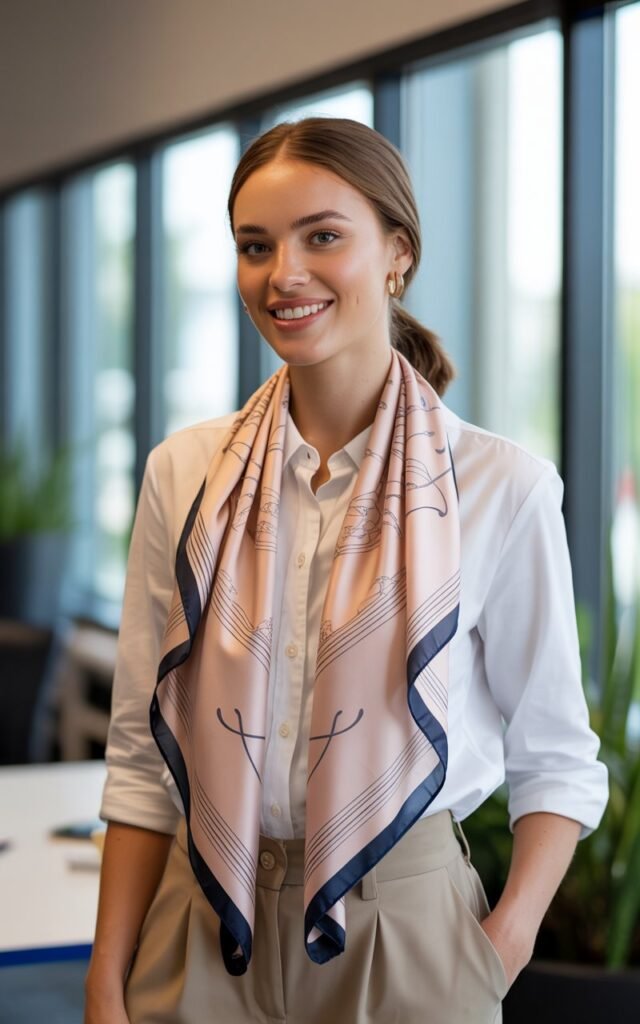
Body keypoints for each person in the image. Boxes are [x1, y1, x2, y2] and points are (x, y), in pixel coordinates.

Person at [84, 117, 608, 1024]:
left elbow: (556, 757)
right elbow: (140, 752)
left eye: (322, 236)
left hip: (405, 932)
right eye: (256, 245)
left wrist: (498, 949)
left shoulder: (500, 486)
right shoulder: (185, 472)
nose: (283, 273)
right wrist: (106, 975)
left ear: (398, 253)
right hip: (201, 916)